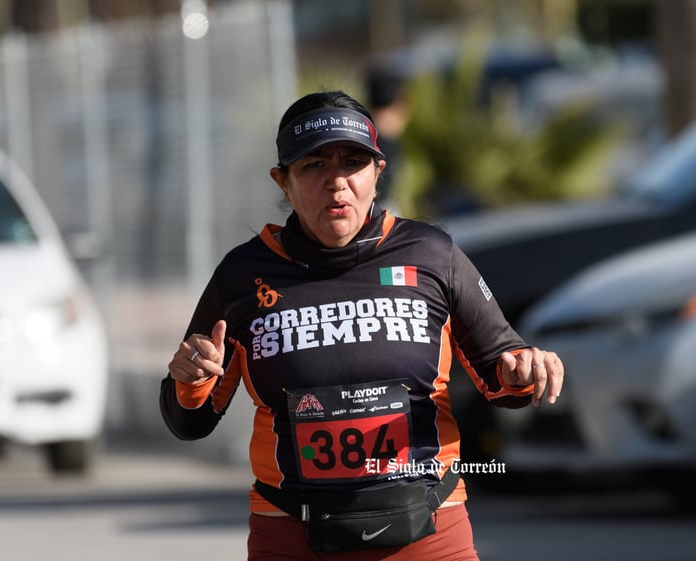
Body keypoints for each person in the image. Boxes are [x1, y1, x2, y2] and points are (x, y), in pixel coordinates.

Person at [160, 90, 564, 560]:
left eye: (353, 162)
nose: (337, 182)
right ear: (282, 182)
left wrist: (524, 370)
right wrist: (190, 379)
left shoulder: (432, 254)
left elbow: (505, 375)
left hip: (429, 531)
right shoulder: (243, 274)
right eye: (314, 165)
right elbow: (189, 421)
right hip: (292, 534)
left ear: (377, 173)